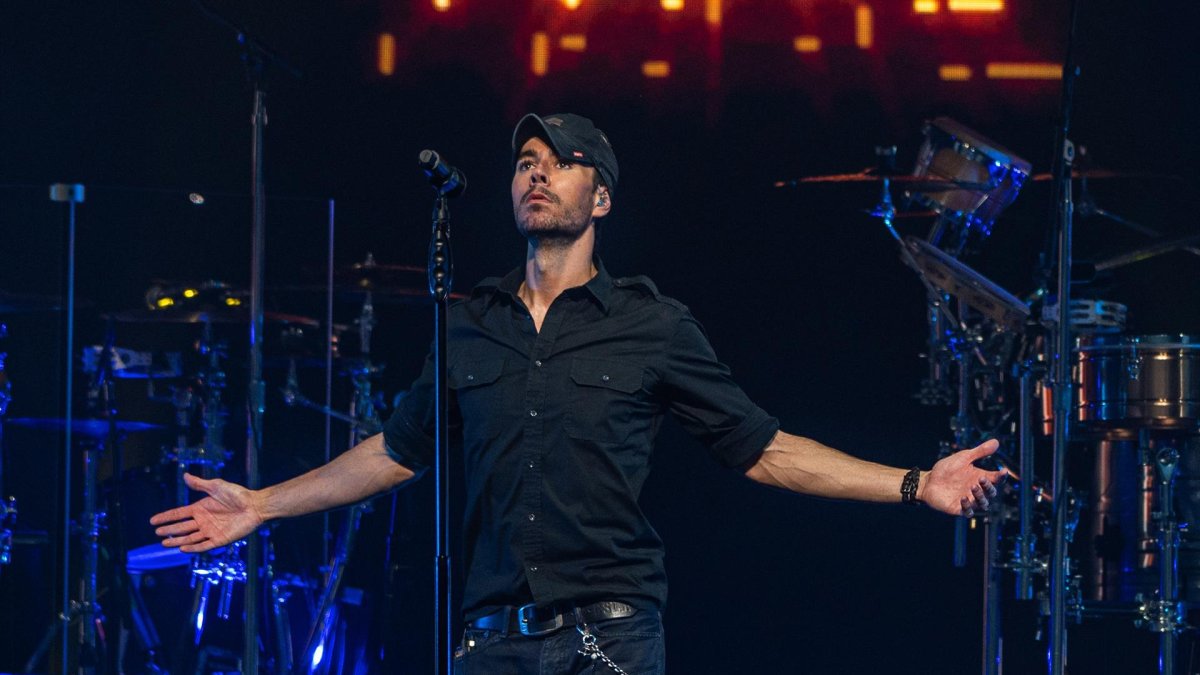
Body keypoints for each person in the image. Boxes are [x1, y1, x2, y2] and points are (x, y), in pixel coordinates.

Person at [151, 113, 1005, 673]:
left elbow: (765, 449)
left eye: (562, 162)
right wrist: (263, 503)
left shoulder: (652, 323)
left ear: (600, 196)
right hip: (488, 640)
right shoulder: (471, 321)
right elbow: (395, 450)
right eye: (526, 162)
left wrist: (914, 482)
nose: (538, 174)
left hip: (611, 636)